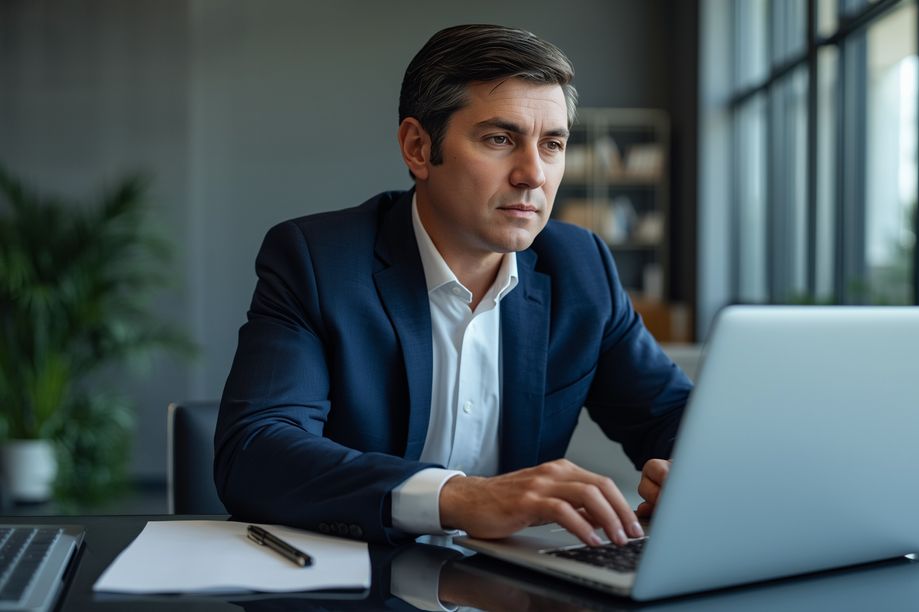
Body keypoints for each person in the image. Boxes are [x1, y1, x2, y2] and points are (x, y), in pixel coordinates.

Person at [213, 24, 692, 548]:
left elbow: (671, 413)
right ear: (418, 148)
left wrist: (694, 472)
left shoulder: (581, 266)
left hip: (512, 587)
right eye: (499, 139)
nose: (533, 174)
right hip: (362, 582)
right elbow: (255, 451)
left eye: (552, 144)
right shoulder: (317, 261)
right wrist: (458, 498)